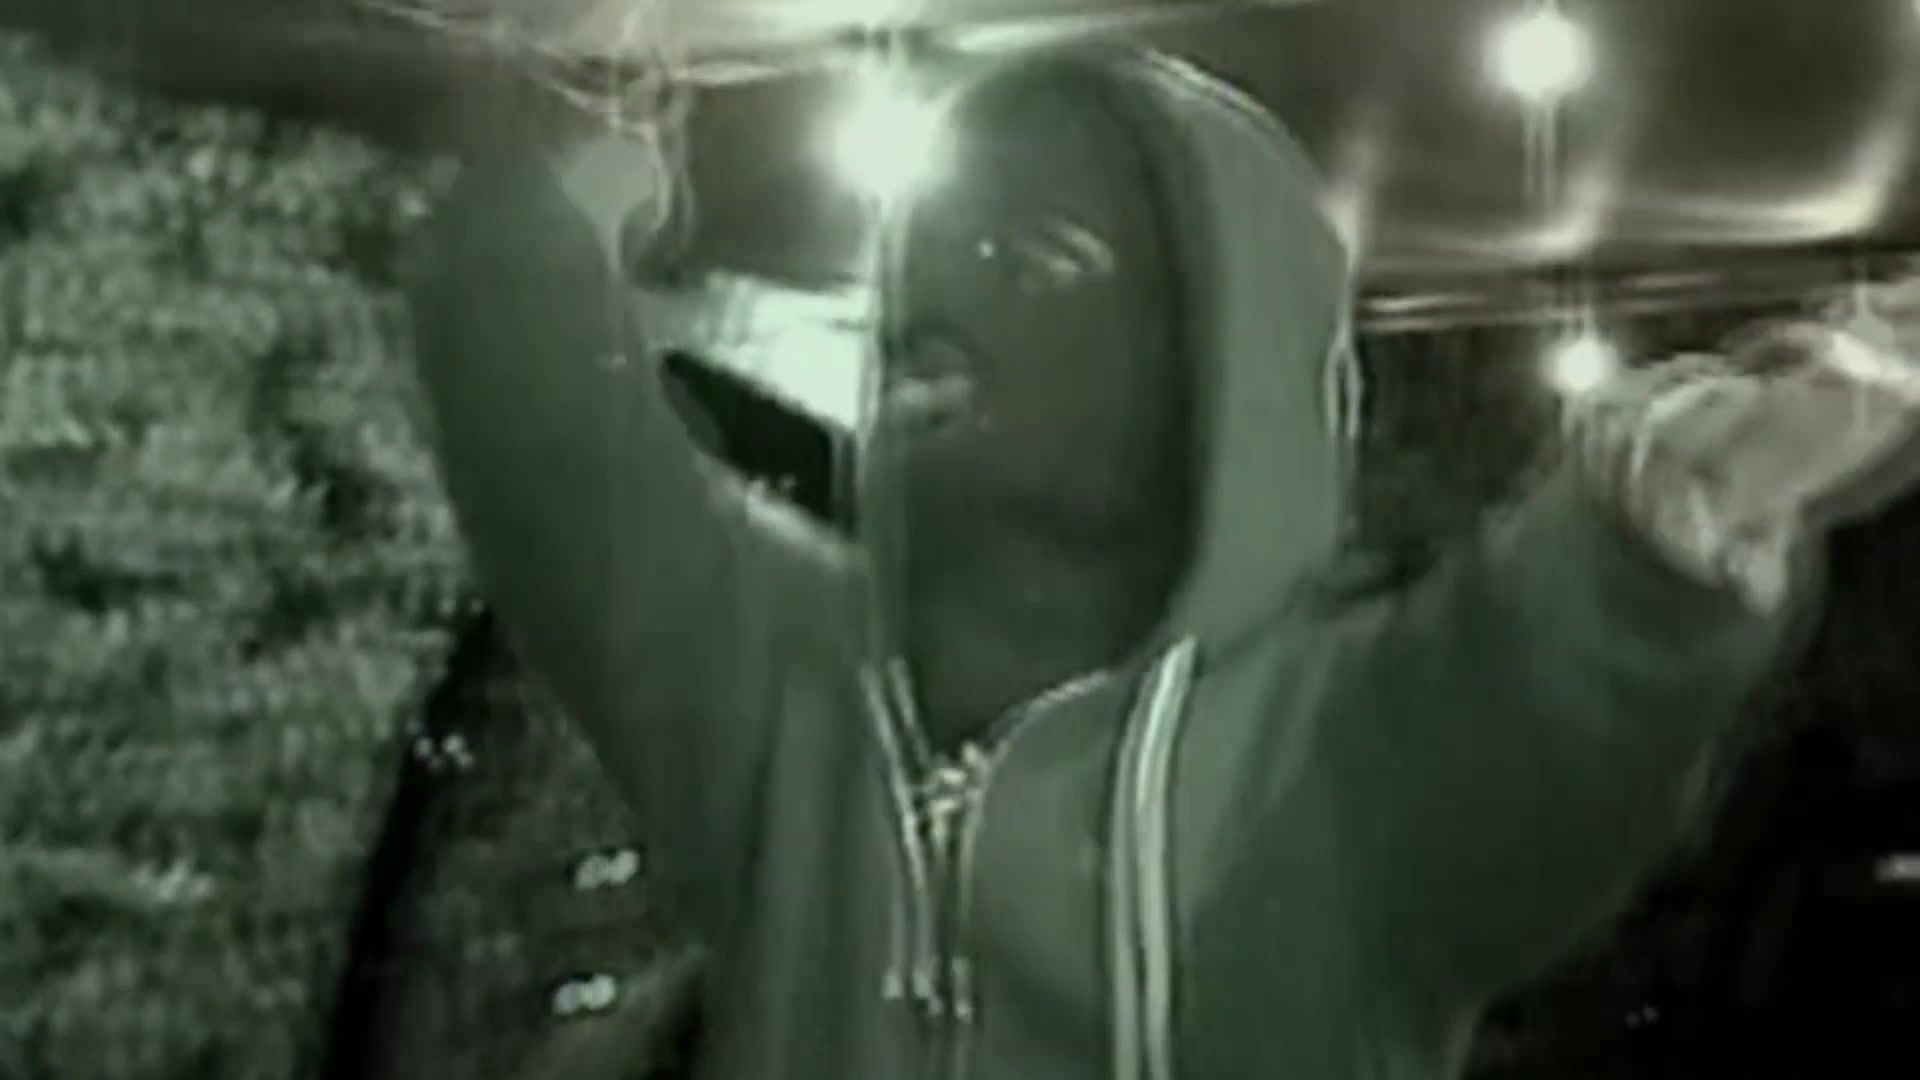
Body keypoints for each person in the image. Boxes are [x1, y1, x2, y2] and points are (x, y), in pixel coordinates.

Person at [403, 46, 1920, 1080]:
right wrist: (557, 173)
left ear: (1208, 370)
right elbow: (558, 439)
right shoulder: (787, 693)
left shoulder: (1333, 763)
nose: (935, 288)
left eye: (1035, 259)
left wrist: (1660, 529)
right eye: (928, 244)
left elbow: (1536, 676)